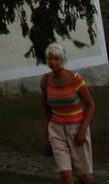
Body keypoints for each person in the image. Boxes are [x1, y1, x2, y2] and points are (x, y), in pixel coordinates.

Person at [41, 43, 96, 184]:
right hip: (56, 129)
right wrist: (46, 134)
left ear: (63, 60)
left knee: (84, 176)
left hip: (76, 128)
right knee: (66, 175)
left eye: (56, 59)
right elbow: (46, 109)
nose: (53, 62)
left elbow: (90, 105)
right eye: (50, 59)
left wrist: (83, 130)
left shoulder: (75, 79)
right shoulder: (45, 80)